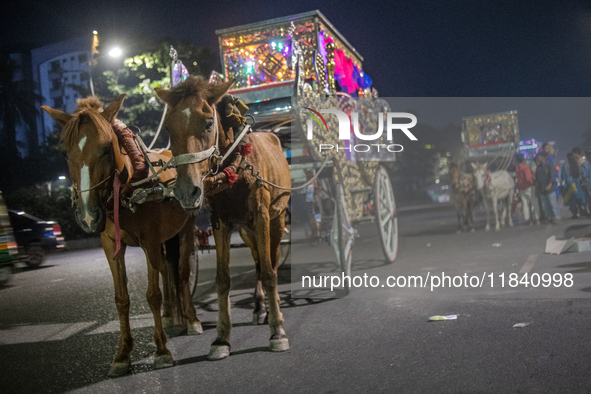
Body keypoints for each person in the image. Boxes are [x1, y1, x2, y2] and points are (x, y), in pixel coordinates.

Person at [515, 153, 539, 225]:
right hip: (529, 187)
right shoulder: (526, 167)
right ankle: (537, 218)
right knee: (534, 202)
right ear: (523, 159)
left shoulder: (517, 168)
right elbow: (528, 178)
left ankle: (527, 219)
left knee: (525, 204)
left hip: (521, 188)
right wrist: (533, 182)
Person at [560, 153, 586, 218]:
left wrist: (562, 186)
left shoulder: (565, 166)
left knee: (572, 200)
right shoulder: (578, 165)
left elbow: (563, 177)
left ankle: (574, 213)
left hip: (570, 185)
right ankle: (582, 210)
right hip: (578, 185)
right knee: (580, 198)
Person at [536, 153, 557, 224]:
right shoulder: (538, 167)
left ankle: (557, 217)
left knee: (553, 204)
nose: (538, 158)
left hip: (550, 189)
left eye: (540, 157)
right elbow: (537, 179)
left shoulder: (549, 166)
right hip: (542, 189)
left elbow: (552, 176)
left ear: (544, 157)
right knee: (546, 205)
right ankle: (549, 217)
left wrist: (550, 184)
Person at [542, 142, 561, 219]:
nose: (548, 150)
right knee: (547, 202)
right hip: (545, 183)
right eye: (546, 148)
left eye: (548, 148)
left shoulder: (550, 159)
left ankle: (557, 216)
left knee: (553, 201)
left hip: (552, 182)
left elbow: (552, 172)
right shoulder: (542, 159)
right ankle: (550, 216)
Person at [573, 147, 591, 215]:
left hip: (587, 183)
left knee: (588, 199)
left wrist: (582, 181)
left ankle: (589, 212)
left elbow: (584, 175)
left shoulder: (584, 164)